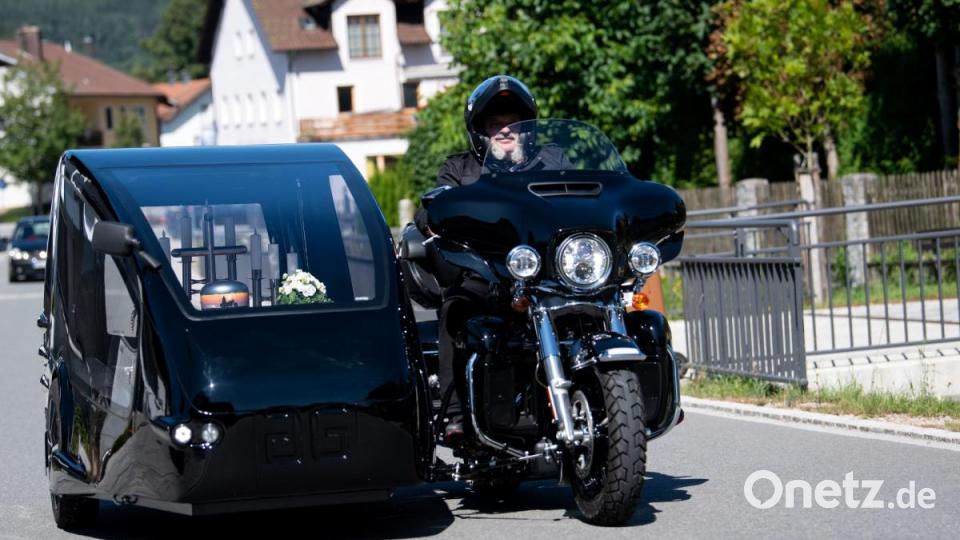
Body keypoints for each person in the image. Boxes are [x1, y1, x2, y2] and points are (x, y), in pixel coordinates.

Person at [413, 75, 538, 444]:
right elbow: (427, 213)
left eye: (512, 125)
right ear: (480, 132)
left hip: (544, 277)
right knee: (455, 309)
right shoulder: (460, 170)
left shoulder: (550, 162)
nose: (504, 131)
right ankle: (453, 413)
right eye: (495, 125)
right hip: (483, 277)